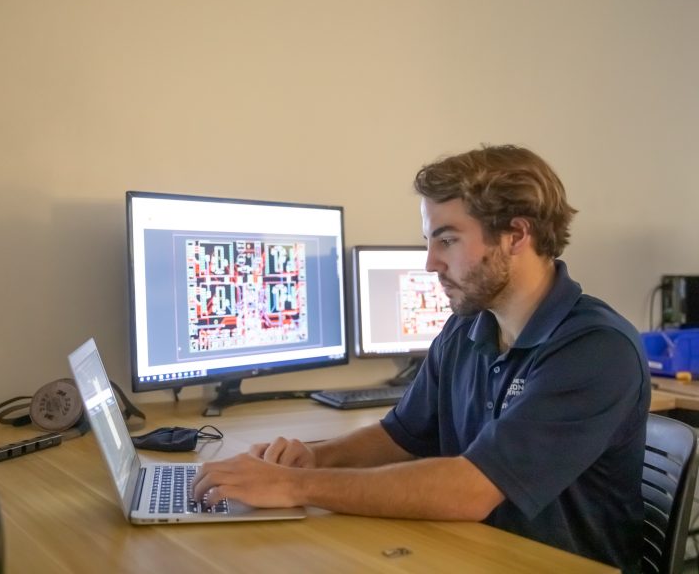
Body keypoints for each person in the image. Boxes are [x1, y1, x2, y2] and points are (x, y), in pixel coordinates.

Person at [193, 144, 650, 572]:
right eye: (430, 241)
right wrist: (315, 460)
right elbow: (403, 436)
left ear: (516, 235)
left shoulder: (596, 349)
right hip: (474, 555)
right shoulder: (467, 328)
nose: (430, 262)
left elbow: (472, 490)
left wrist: (293, 487)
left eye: (447, 240)